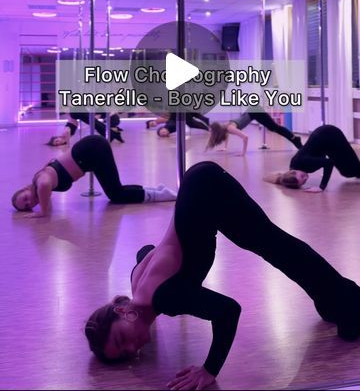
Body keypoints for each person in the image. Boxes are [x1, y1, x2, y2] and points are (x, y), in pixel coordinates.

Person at [85, 161, 360, 390]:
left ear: (122, 311)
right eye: (125, 355)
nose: (132, 349)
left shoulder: (166, 297)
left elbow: (228, 311)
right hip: (200, 185)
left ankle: (348, 301)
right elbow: (144, 250)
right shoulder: (137, 281)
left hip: (209, 191)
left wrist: (209, 370)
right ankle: (331, 297)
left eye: (122, 340)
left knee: (277, 247)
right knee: (277, 248)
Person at [11, 135, 176, 217]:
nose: (29, 203)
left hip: (91, 151)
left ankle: (160, 195)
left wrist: (43, 212)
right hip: (90, 153)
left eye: (25, 198)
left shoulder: (39, 181)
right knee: (115, 191)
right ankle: (154, 190)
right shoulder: (39, 184)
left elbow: (45, 184)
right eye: (27, 206)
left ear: (26, 189)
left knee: (116, 195)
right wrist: (44, 205)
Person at [265, 124, 360, 192]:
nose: (306, 177)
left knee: (349, 171)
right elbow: (309, 151)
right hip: (324, 140)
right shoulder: (293, 166)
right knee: (347, 171)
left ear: (294, 171)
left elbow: (329, 163)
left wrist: (321, 187)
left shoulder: (304, 162)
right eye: (304, 182)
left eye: (302, 176)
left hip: (331, 135)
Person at [207, 107, 302, 155]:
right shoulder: (226, 128)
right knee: (273, 127)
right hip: (253, 112)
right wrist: (225, 148)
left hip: (254, 112)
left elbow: (245, 137)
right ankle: (294, 138)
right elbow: (227, 135)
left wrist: (243, 153)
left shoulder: (229, 128)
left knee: (274, 127)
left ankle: (295, 138)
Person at [47, 112, 124, 146]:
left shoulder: (64, 134)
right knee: (96, 124)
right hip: (77, 114)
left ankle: (113, 135)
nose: (58, 143)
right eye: (56, 144)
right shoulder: (65, 139)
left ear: (57, 137)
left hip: (76, 113)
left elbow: (68, 131)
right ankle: (114, 135)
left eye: (56, 141)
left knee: (95, 124)